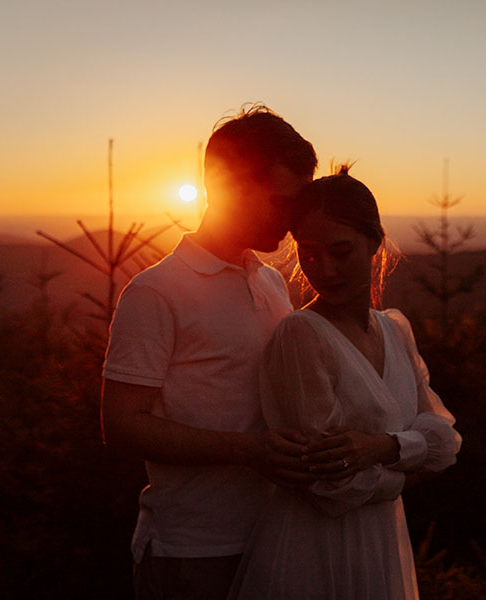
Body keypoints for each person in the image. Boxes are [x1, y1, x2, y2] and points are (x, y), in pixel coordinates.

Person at [101, 104, 350, 599]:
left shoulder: (272, 282)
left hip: (278, 538)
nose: (292, 220)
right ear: (227, 186)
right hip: (192, 553)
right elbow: (122, 425)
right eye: (282, 202)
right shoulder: (156, 292)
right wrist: (250, 450)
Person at [228, 168, 463, 599]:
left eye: (341, 251)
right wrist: (411, 455)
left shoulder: (395, 329)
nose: (326, 270)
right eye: (310, 254)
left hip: (382, 544)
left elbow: (445, 442)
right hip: (314, 551)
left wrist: (380, 448)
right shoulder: (300, 334)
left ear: (374, 242)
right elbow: (330, 486)